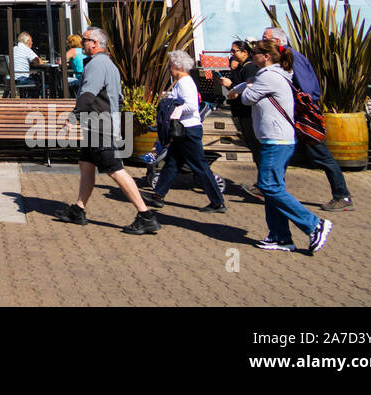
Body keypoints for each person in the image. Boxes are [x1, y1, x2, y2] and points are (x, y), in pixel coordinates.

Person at [223, 39, 333, 254]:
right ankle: (280, 236)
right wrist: (240, 86)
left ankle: (314, 224)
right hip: (275, 139)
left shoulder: (270, 77)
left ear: (266, 57)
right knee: (275, 188)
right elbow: (249, 85)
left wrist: (239, 90)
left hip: (276, 140)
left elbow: (247, 98)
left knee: (268, 186)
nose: (251, 55)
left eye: (255, 53)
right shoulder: (270, 75)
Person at [55, 27, 160, 234]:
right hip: (100, 124)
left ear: (94, 43)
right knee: (86, 164)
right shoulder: (110, 66)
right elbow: (118, 98)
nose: (82, 43)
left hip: (100, 127)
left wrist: (71, 119)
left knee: (115, 169)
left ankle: (145, 215)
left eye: (85, 40)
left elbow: (88, 95)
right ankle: (78, 209)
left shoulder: (96, 65)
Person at [263, 26, 353, 211]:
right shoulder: (285, 59)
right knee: (284, 152)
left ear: (278, 42)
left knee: (321, 155)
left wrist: (301, 106)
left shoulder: (292, 58)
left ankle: (342, 196)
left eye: (266, 38)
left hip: (304, 117)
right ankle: (266, 186)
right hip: (295, 116)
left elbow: (306, 89)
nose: (262, 41)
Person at [141, 51, 226, 214]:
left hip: (187, 130)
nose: (169, 68)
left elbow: (191, 105)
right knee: (172, 162)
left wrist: (174, 111)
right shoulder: (182, 82)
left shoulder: (185, 82)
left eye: (171, 65)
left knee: (199, 165)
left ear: (178, 66)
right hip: (183, 130)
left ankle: (217, 202)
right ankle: (158, 196)